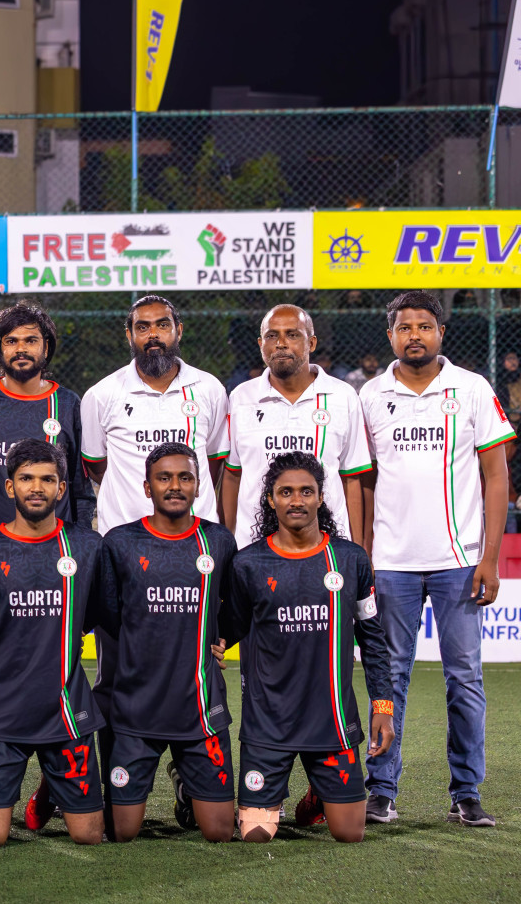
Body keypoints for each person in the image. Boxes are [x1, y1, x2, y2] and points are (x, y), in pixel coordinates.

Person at [360, 290, 515, 827]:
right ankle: (380, 789)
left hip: (458, 562)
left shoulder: (471, 389)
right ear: (391, 336)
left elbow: (497, 477)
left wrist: (489, 558)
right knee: (390, 677)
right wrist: (365, 556)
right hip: (392, 564)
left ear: (440, 333)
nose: (415, 336)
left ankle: (466, 793)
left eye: (424, 326)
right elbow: (362, 481)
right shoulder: (371, 396)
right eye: (405, 328)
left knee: (465, 677)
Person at [221, 452, 395, 843]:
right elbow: (228, 628)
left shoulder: (350, 559)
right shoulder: (248, 564)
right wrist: (214, 646)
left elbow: (373, 639)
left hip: (331, 722)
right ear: (270, 499)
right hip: (268, 725)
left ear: (320, 497)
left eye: (305, 491)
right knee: (255, 836)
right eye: (286, 492)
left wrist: (383, 707)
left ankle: (321, 793)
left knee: (350, 834)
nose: (296, 500)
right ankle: (272, 794)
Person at [0, 440, 105, 847]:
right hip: (0, 712)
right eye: (26, 478)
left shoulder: (87, 547)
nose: (37, 487)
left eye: (47, 479)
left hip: (65, 711)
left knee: (89, 836)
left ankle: (53, 787)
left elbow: (106, 613)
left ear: (62, 489)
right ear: (10, 487)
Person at [95, 443, 237, 843]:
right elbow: (108, 614)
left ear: (197, 487)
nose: (175, 486)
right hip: (136, 711)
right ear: (147, 486)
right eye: (164, 477)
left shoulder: (220, 542)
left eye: (185, 477)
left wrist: (221, 638)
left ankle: (189, 786)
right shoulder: (120, 543)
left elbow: (234, 605)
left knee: (220, 832)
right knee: (123, 833)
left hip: (201, 711)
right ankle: (177, 778)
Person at [220, 304, 372, 549]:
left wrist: (358, 549)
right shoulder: (240, 398)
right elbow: (232, 475)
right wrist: (226, 544)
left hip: (327, 545)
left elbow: (352, 478)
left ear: (311, 343)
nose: (281, 343)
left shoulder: (343, 397)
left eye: (292, 335)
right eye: (272, 336)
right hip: (254, 547)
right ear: (260, 344)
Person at [81, 295, 231, 533]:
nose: (153, 334)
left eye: (163, 325)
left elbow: (213, 459)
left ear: (178, 330)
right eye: (143, 327)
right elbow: (96, 464)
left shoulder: (210, 388)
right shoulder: (101, 394)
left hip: (195, 532)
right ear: (130, 336)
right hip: (124, 533)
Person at [0, 300, 94, 538]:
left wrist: (82, 543)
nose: (21, 349)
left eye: (30, 341)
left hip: (53, 548)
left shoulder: (67, 404)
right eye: (11, 341)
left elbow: (79, 487)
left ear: (46, 346)